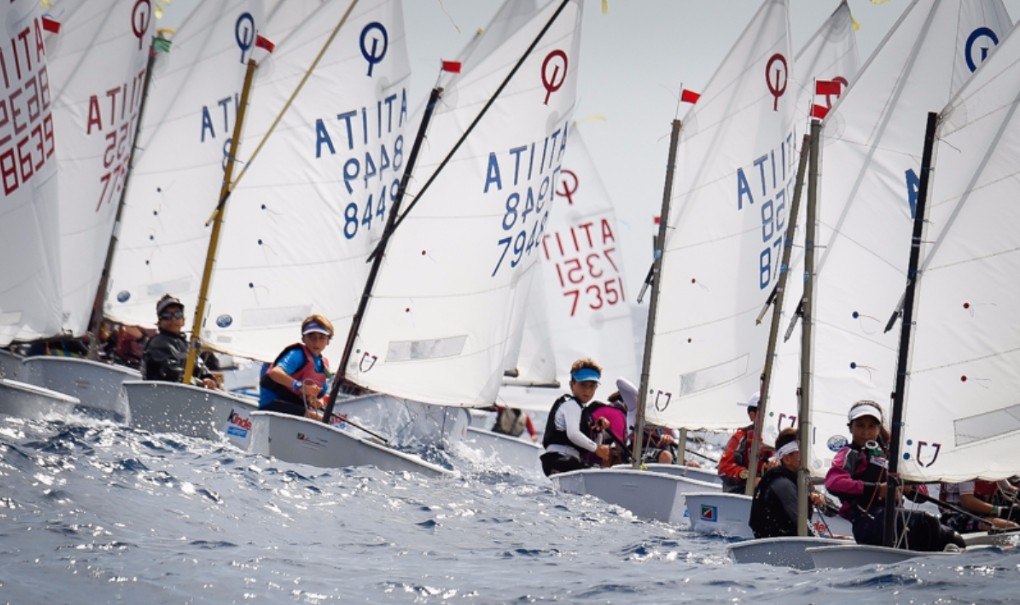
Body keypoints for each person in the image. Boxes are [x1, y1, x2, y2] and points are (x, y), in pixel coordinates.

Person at [825, 400, 965, 551]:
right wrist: (879, 489)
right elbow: (833, 482)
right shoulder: (849, 454)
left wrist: (908, 487)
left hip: (893, 518)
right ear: (850, 428)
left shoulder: (889, 455)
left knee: (954, 538)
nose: (865, 432)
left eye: (871, 426)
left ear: (879, 429)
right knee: (926, 522)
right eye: (860, 426)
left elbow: (922, 495)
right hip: (866, 521)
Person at [749, 428, 826, 538]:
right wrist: (820, 539)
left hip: (787, 542)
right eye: (802, 453)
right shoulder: (782, 485)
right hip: (776, 544)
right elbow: (802, 522)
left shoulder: (799, 480)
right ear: (787, 459)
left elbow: (831, 512)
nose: (808, 458)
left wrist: (820, 500)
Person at [540, 358, 611, 476]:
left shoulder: (582, 410)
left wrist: (598, 430)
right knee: (602, 473)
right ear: (572, 384)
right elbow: (573, 434)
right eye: (583, 384)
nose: (587, 390)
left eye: (592, 386)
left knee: (596, 470)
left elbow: (592, 444)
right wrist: (597, 449)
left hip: (562, 461)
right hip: (561, 460)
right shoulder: (571, 405)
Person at [259, 314, 335, 420]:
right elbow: (275, 373)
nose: (316, 342)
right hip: (274, 403)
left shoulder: (323, 364)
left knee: (331, 419)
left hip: (295, 405)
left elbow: (322, 394)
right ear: (303, 338)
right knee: (322, 419)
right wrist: (300, 386)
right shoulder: (297, 354)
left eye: (322, 337)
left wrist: (320, 401)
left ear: (328, 341)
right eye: (311, 336)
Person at [140, 294, 218, 389]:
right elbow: (171, 373)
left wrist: (209, 379)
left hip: (185, 393)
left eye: (178, 315)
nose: (173, 319)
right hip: (163, 393)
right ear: (159, 322)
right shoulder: (157, 343)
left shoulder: (186, 346)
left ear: (183, 320)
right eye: (167, 316)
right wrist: (197, 382)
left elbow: (200, 369)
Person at [718, 393, 775, 493]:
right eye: (765, 412)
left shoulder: (779, 441)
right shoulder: (741, 437)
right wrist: (750, 477)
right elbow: (724, 468)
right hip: (741, 492)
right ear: (752, 415)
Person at [938, 480, 1020, 533]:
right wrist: (1000, 511)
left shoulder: (992, 470)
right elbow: (967, 502)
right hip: (955, 518)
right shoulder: (969, 468)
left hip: (980, 515)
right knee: (1012, 527)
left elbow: (1010, 489)